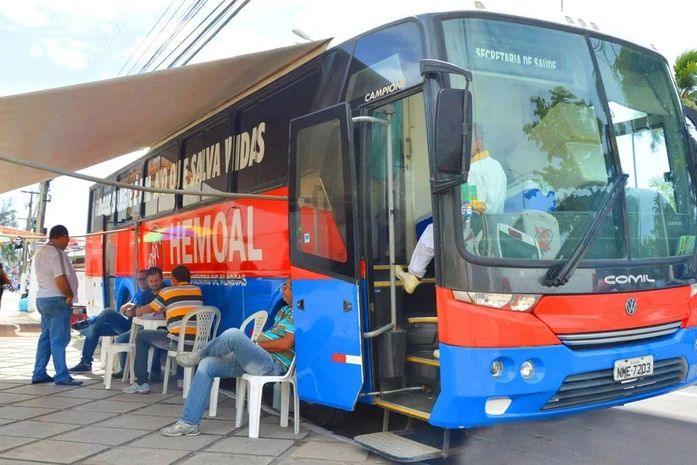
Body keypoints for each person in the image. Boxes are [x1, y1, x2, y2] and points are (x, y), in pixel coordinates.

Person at [160, 279, 294, 437]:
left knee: (233, 334)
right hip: (258, 359)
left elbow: (286, 343)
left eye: (285, 287)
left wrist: (257, 345)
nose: (281, 289)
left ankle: (198, 354)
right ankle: (189, 423)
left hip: (272, 364)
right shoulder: (284, 311)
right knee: (207, 364)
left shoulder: (299, 314)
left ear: (296, 291)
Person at [395, 126, 507, 293]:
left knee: (431, 232)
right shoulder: (497, 167)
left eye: (465, 144)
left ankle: (414, 275)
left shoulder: (474, 170)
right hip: (489, 228)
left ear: (477, 143)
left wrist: (453, 215)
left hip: (474, 228)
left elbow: (473, 206)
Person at [122, 264, 203, 394]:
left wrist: (137, 310)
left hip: (176, 342)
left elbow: (147, 310)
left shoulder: (168, 291)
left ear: (174, 279)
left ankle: (141, 382)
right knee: (184, 336)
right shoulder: (197, 291)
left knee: (141, 336)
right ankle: (182, 379)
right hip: (198, 342)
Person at [69, 267, 164, 374]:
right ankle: (85, 363)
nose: (143, 282)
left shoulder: (159, 293)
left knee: (108, 312)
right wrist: (130, 307)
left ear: (161, 279)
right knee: (94, 329)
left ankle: (88, 322)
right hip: (129, 321)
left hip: (136, 326)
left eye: (145, 279)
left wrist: (133, 309)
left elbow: (140, 311)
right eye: (140, 280)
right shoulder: (141, 293)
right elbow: (127, 309)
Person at [31, 225, 82, 386]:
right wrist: (69, 295)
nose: (67, 242)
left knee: (46, 337)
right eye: (66, 239)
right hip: (56, 300)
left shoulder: (40, 253)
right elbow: (60, 278)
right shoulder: (57, 253)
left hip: (43, 299)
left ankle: (39, 372)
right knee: (59, 339)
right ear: (61, 236)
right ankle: (62, 375)